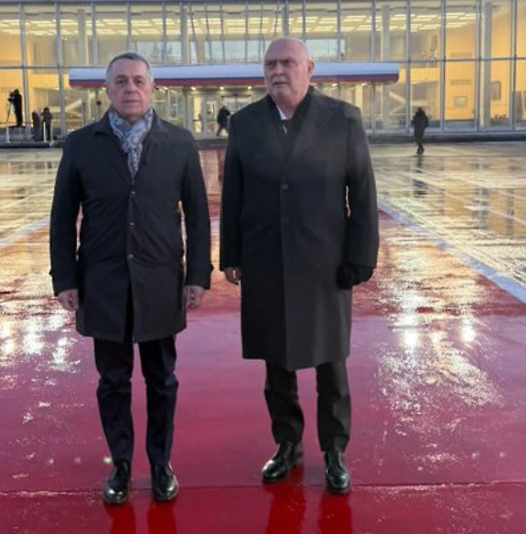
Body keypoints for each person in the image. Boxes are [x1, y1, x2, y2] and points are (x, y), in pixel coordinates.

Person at [50, 52, 212, 506]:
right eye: (120, 81)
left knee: (162, 379)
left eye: (139, 80)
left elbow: (198, 216)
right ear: (107, 90)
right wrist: (65, 278)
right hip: (103, 283)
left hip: (160, 280)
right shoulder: (82, 145)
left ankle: (161, 463)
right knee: (113, 380)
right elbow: (62, 217)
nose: (130, 88)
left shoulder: (178, 143)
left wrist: (198, 275)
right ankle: (121, 464)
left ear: (153, 88)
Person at [220, 38, 379, 496]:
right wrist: (231, 254)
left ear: (310, 68)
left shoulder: (342, 119)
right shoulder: (246, 123)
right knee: (277, 363)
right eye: (270, 64)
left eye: (288, 62)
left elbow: (362, 192)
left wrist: (361, 255)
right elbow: (234, 193)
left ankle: (334, 451)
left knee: (331, 362)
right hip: (266, 259)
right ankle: (287, 444)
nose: (278, 71)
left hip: (325, 262)